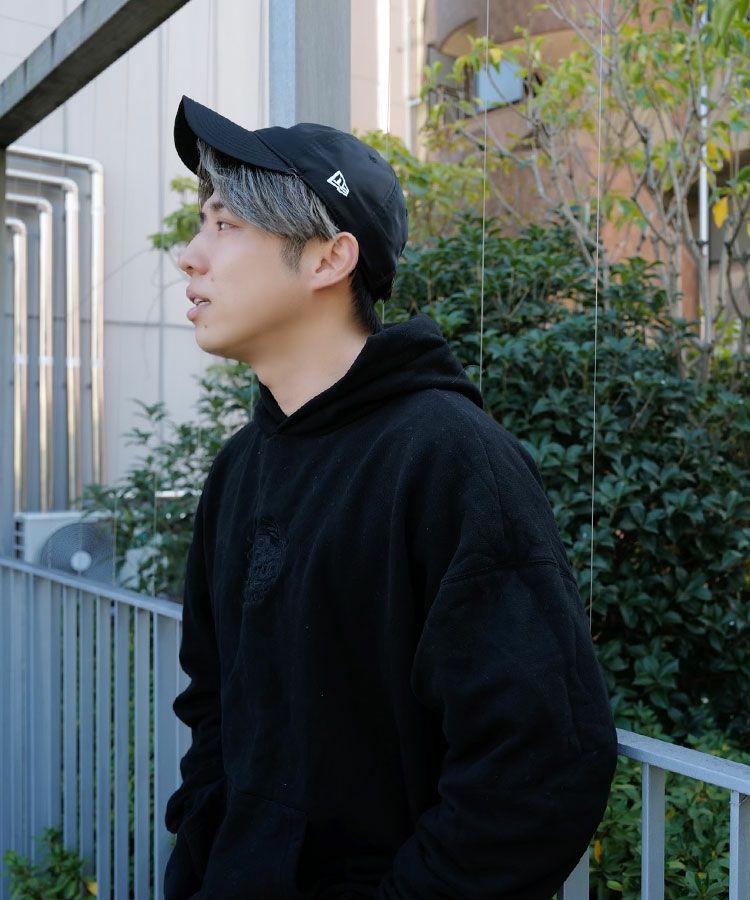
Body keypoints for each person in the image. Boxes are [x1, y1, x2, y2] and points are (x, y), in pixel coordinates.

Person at [164, 94, 618, 900]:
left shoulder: (450, 460)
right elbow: (213, 708)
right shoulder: (239, 469)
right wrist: (200, 859)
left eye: (226, 224)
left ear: (328, 259)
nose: (189, 257)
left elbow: (541, 763)